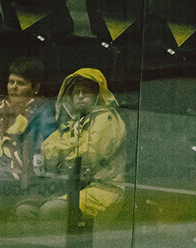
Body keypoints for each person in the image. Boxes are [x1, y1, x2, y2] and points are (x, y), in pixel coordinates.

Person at [17, 68, 127, 227]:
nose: (80, 96)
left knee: (51, 211)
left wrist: (63, 152)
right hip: (71, 189)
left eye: (86, 92)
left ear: (98, 94)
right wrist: (69, 149)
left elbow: (88, 158)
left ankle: (57, 245)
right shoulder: (73, 123)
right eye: (76, 92)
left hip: (104, 190)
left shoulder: (107, 120)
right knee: (25, 210)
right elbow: (47, 152)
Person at [0, 56, 55, 201]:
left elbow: (49, 151)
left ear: (36, 88)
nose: (14, 87)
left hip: (20, 185)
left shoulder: (43, 113)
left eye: (21, 83)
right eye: (11, 82)